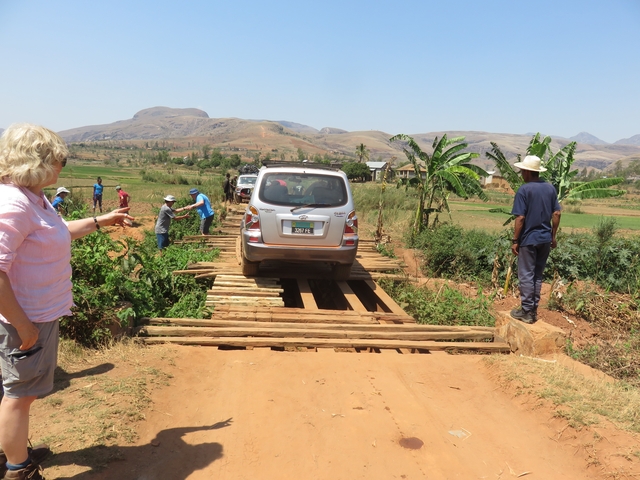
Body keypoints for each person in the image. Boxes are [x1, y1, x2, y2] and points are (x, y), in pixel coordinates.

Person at [0, 123, 134, 480]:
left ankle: (14, 450)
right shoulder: (14, 204)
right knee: (19, 394)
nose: (62, 167)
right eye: (58, 160)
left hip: (35, 314)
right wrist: (24, 326)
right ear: (37, 162)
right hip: (24, 319)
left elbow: (55, 234)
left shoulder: (33, 198)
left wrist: (98, 221)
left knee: (18, 392)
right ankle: (17, 468)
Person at [510, 155, 562, 324]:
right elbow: (557, 214)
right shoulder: (550, 189)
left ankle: (526, 311)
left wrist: (515, 240)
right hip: (545, 239)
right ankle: (532, 310)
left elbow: (520, 218)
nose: (521, 174)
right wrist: (553, 236)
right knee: (537, 276)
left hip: (528, 239)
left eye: (522, 171)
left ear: (527, 172)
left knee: (526, 274)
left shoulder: (524, 190)